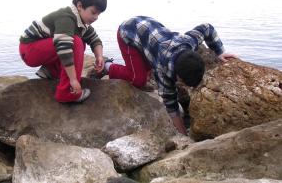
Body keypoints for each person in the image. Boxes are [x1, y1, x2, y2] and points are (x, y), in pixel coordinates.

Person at [95, 16, 237, 135]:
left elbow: (207, 28)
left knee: (148, 67)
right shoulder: (162, 71)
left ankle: (142, 63)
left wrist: (220, 52)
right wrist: (183, 133)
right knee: (138, 79)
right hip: (128, 33)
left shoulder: (190, 41)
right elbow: (170, 104)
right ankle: (107, 67)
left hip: (149, 29)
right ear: (179, 78)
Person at [19, 0, 107, 103]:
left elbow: (95, 39)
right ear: (80, 6)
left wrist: (99, 56)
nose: (96, 17)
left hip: (39, 48)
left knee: (79, 44)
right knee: (75, 43)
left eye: (98, 15)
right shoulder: (66, 18)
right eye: (93, 12)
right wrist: (73, 80)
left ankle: (50, 72)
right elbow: (63, 49)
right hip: (29, 49)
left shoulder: (81, 22)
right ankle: (67, 94)